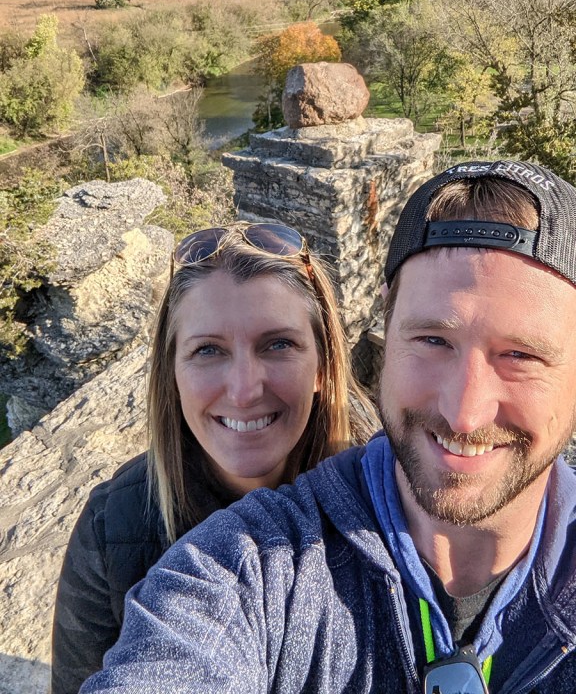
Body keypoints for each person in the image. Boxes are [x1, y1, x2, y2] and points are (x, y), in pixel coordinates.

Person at [79, 159, 576, 694]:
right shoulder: (229, 564)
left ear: (325, 364)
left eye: (521, 354)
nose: (465, 413)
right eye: (432, 339)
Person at [51, 221, 378, 694]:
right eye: (208, 350)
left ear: (322, 368)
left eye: (279, 344)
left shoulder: (389, 496)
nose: (244, 391)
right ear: (173, 374)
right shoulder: (112, 527)